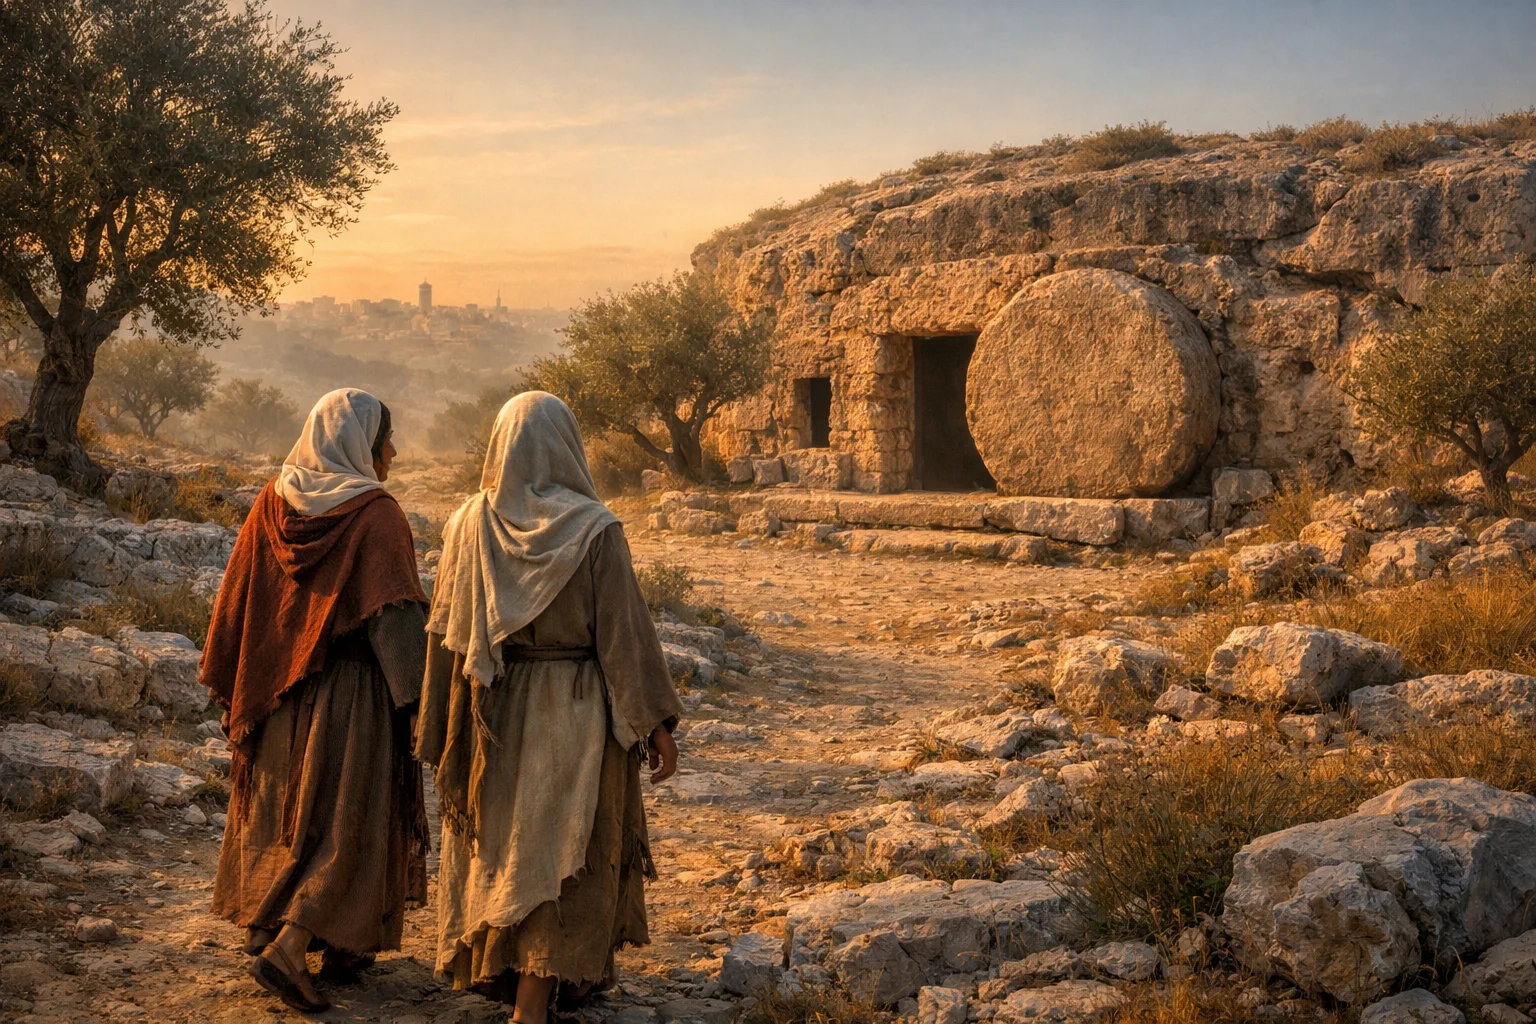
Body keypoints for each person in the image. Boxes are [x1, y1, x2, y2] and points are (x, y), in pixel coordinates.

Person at [416, 391, 683, 1024]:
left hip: (494, 712)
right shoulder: (595, 530)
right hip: (575, 712)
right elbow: (624, 638)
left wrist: (437, 726)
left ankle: (513, 975)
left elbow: (443, 632)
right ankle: (532, 1002)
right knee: (560, 849)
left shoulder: (466, 526)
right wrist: (656, 725)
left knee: (506, 844)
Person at [202, 388, 430, 1013]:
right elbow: (395, 620)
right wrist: (418, 703)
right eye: (387, 440)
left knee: (279, 811)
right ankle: (291, 946)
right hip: (349, 699)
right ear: (363, 444)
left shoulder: (271, 504)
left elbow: (237, 598)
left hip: (275, 692)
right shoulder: (377, 516)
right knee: (343, 824)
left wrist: (247, 675)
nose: (393, 452)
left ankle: (268, 927)